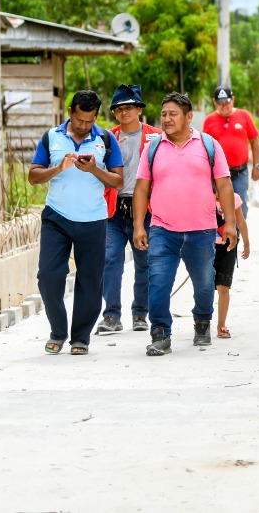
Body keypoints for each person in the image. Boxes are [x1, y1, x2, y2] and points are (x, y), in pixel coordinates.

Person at [133, 93, 238, 357]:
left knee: (204, 284)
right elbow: (141, 188)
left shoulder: (208, 145)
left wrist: (230, 224)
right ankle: (160, 334)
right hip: (162, 229)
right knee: (157, 282)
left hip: (201, 231)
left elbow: (224, 185)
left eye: (173, 114)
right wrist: (138, 225)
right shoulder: (153, 147)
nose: (167, 119)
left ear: (189, 117)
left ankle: (202, 321)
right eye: (164, 114)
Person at [28, 90, 125, 355]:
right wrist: (59, 167)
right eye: (80, 120)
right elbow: (33, 176)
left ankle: (80, 337)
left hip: (93, 220)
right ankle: (58, 331)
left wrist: (93, 169)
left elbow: (118, 181)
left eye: (89, 121)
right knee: (48, 276)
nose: (84, 127)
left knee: (91, 281)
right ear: (70, 112)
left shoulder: (105, 139)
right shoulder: (51, 137)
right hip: (56, 218)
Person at [98, 84, 161, 334]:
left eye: (129, 108)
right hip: (114, 209)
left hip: (146, 209)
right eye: (119, 109)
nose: (125, 112)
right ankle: (111, 315)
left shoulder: (155, 137)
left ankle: (140, 314)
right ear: (114, 113)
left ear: (138, 109)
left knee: (145, 262)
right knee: (110, 259)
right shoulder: (107, 138)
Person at [202, 86, 259, 218]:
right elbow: (204, 147)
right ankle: (224, 237)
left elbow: (254, 141)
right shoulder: (209, 121)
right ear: (214, 102)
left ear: (233, 100)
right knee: (219, 208)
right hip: (218, 175)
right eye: (220, 103)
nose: (224, 106)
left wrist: (257, 166)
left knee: (241, 207)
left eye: (227, 102)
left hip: (240, 171)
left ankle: (237, 236)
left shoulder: (244, 116)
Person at [214, 191, 251, 338]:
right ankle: (202, 321)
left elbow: (240, 221)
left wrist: (247, 244)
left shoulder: (233, 197)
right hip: (205, 248)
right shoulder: (202, 195)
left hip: (228, 246)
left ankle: (221, 324)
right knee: (204, 287)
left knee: (223, 286)